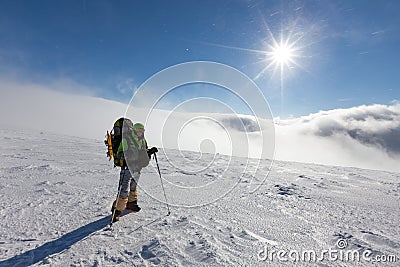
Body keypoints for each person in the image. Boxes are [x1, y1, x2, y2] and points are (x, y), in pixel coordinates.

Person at [112, 121, 158, 222]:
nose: (140, 132)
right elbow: (119, 153)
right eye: (138, 130)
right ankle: (117, 210)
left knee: (133, 186)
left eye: (142, 131)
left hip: (138, 167)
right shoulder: (126, 139)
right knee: (123, 189)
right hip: (127, 167)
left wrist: (150, 151)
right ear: (134, 130)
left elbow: (143, 152)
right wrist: (125, 155)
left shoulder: (143, 140)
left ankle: (131, 204)